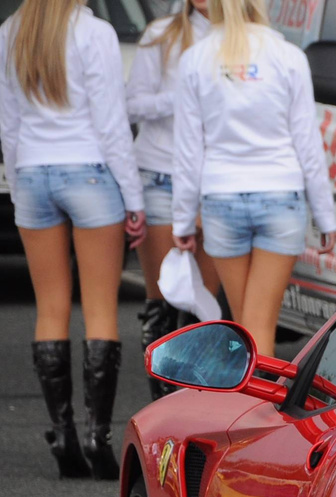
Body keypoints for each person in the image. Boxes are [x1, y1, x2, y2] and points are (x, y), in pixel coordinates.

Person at [0, 0, 146, 480]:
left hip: (32, 173)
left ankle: (61, 431)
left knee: (50, 309)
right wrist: (133, 196)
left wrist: (21, 190)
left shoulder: (12, 31)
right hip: (89, 174)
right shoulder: (93, 32)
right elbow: (110, 126)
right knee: (101, 307)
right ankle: (95, 435)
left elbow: (9, 125)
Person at [171, 0, 336, 354]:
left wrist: (183, 220)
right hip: (280, 197)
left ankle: (245, 407)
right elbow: (308, 142)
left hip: (221, 199)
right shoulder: (287, 55)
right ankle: (260, 409)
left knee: (245, 323)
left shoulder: (195, 60)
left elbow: (188, 150)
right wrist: (325, 215)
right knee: (259, 323)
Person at [126, 0, 219, 397]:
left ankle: (195, 409)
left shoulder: (244, 39)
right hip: (161, 175)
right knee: (163, 300)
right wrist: (180, 96)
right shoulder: (160, 34)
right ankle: (161, 411)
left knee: (206, 308)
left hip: (216, 183)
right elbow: (132, 104)